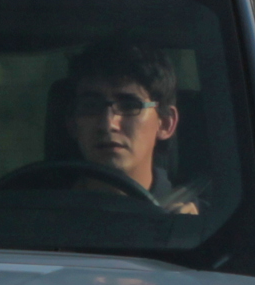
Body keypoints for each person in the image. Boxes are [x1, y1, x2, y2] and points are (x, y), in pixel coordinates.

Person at [58, 38, 202, 214]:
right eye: (90, 106)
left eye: (129, 106)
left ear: (165, 123)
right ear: (72, 123)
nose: (108, 124)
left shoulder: (204, 223)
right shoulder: (37, 216)